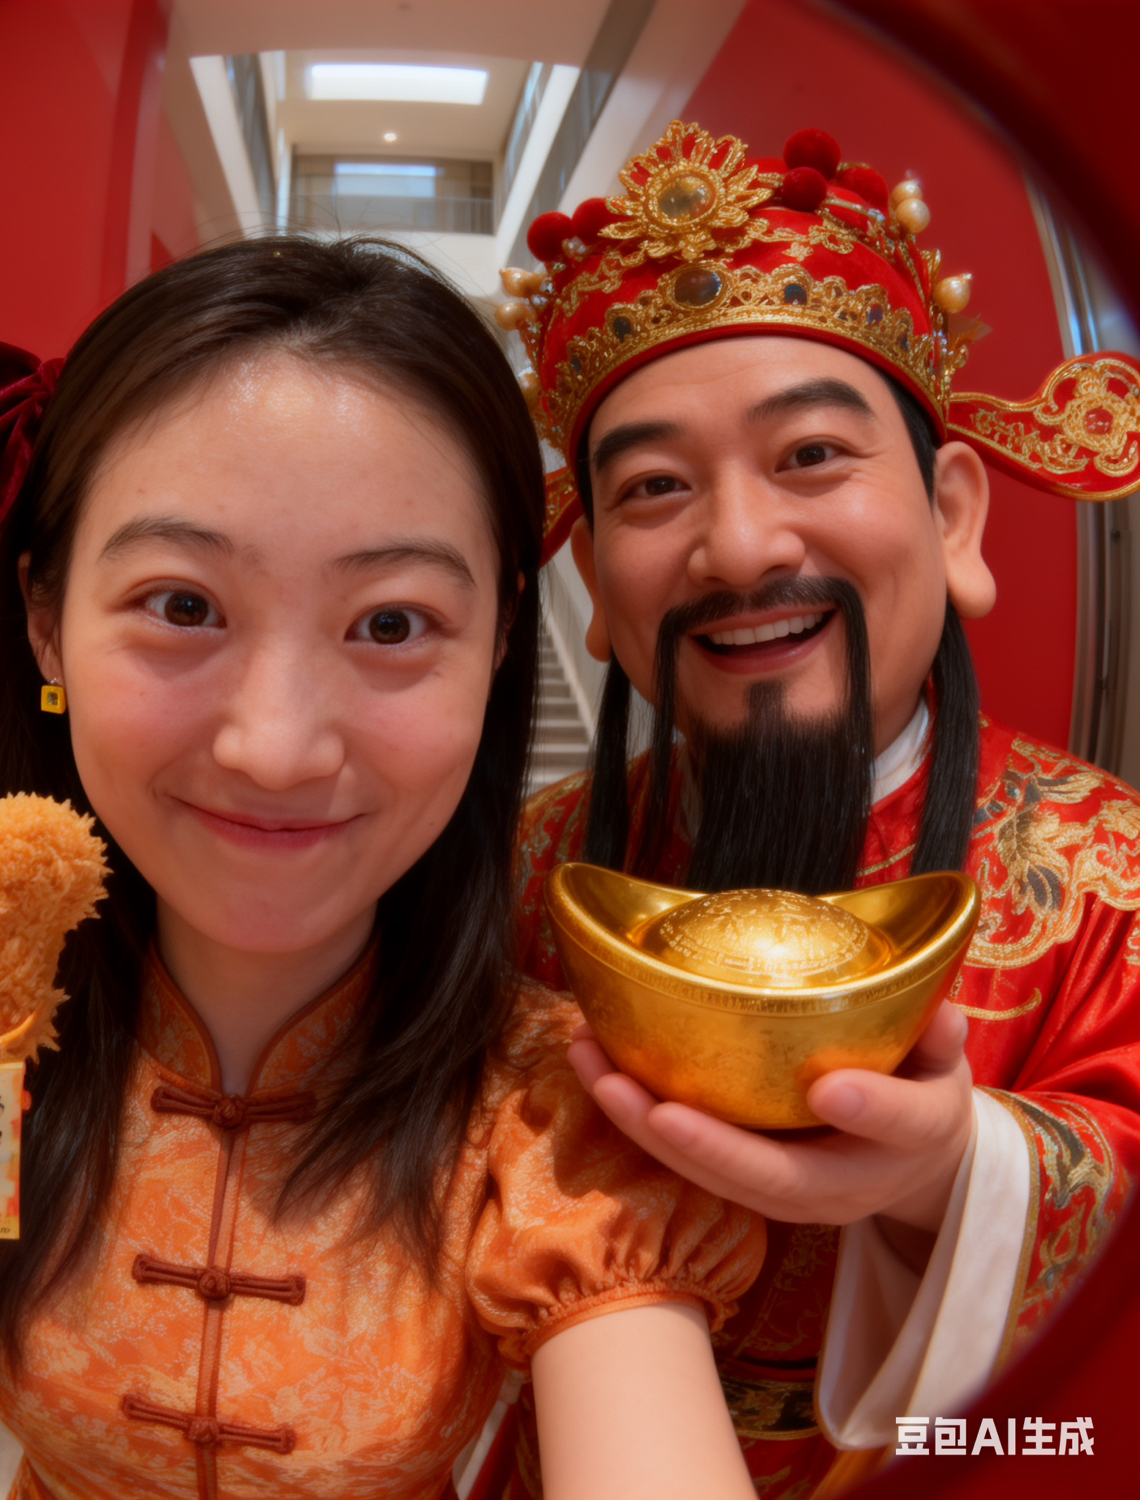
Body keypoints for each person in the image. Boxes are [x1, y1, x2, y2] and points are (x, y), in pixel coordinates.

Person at [0, 237, 766, 1500]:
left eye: (392, 623)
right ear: (45, 620)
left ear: (502, 641)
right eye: (183, 606)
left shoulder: (556, 1128)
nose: (275, 749)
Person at [506, 121, 1140, 1497]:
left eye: (808, 454)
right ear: (597, 590)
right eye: (655, 488)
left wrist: (952, 1177)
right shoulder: (528, 870)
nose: (741, 548)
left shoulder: (1111, 880)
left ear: (954, 517)